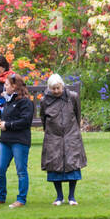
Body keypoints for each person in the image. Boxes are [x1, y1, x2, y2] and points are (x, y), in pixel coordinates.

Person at [39, 73, 87, 206]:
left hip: (71, 134)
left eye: (58, 88)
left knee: (73, 165)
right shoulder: (45, 101)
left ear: (62, 86)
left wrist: (74, 132)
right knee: (54, 166)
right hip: (53, 137)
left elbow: (77, 114)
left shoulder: (72, 97)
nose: (55, 91)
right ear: (49, 88)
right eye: (53, 89)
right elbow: (43, 118)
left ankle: (72, 196)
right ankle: (59, 196)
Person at [0, 74, 33, 208]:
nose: (4, 87)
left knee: (21, 171)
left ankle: (21, 199)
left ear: (14, 87)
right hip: (5, 141)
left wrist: (7, 125)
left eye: (7, 85)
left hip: (20, 141)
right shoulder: (7, 100)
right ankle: (0, 196)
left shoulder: (26, 102)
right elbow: (4, 115)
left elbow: (25, 121)